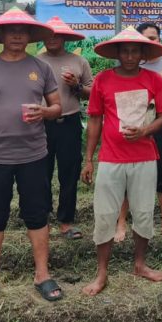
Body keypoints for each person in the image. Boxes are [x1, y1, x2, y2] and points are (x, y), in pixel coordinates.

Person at [0, 8, 64, 306]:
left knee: (37, 213)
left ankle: (42, 275)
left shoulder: (41, 68)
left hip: (34, 155)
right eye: (11, 31)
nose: (17, 36)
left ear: (30, 36)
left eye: (23, 31)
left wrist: (45, 112)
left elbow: (57, 107)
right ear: (1, 35)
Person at [80, 26, 162, 295]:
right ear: (117, 53)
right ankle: (101, 273)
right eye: (125, 51)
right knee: (105, 214)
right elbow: (95, 119)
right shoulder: (103, 80)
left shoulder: (154, 80)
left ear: (142, 54)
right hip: (111, 158)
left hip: (144, 157)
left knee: (143, 212)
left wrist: (145, 131)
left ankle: (140, 264)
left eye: (135, 51)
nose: (130, 56)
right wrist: (89, 159)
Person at [114, 21, 162, 243]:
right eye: (145, 39)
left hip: (161, 125)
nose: (150, 42)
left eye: (153, 38)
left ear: (160, 39)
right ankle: (121, 222)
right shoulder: (131, 65)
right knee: (128, 175)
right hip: (133, 126)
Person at [38, 17, 93, 239]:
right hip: (40, 123)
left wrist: (76, 86)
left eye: (57, 35)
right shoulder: (35, 62)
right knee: (40, 171)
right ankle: (41, 218)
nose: (52, 39)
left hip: (69, 122)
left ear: (65, 38)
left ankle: (66, 221)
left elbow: (91, 92)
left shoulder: (79, 62)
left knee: (69, 173)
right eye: (49, 35)